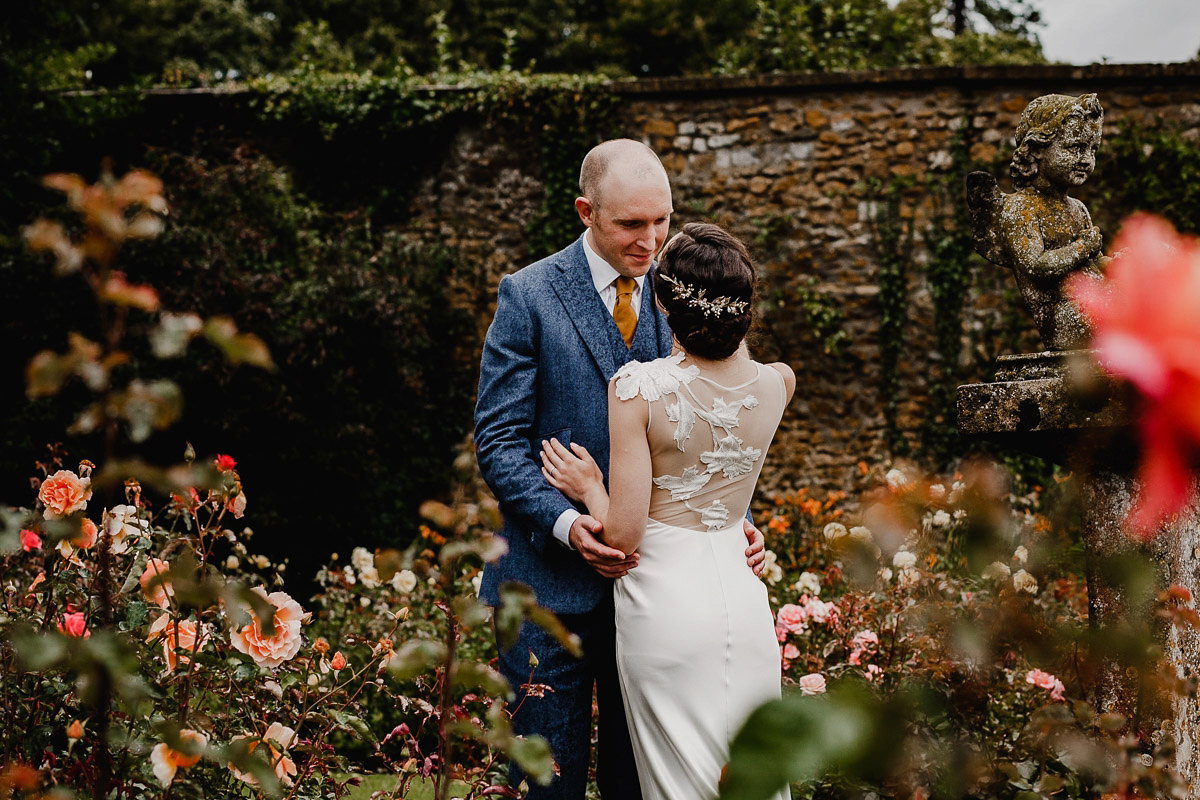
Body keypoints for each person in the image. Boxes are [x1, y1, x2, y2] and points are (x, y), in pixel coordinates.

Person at [474, 139, 767, 799]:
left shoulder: (686, 292)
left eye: (661, 220)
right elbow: (498, 440)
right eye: (631, 224)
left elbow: (719, 416)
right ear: (586, 211)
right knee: (544, 785)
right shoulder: (528, 295)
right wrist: (569, 524)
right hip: (548, 593)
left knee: (642, 787)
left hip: (662, 600)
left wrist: (737, 520)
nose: (651, 239)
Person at [540, 222, 795, 800]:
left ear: (661, 300)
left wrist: (588, 486)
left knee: (682, 784)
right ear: (746, 305)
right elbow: (736, 367)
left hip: (666, 601)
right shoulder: (779, 383)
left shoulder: (639, 387)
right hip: (742, 595)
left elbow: (625, 535)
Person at [966, 93, 1107, 350]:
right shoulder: (1021, 207)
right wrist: (1082, 248)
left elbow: (1094, 264)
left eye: (1092, 149)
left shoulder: (1078, 208)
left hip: (1092, 302)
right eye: (1075, 147)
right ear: (1036, 150)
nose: (1086, 159)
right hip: (1063, 318)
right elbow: (1036, 266)